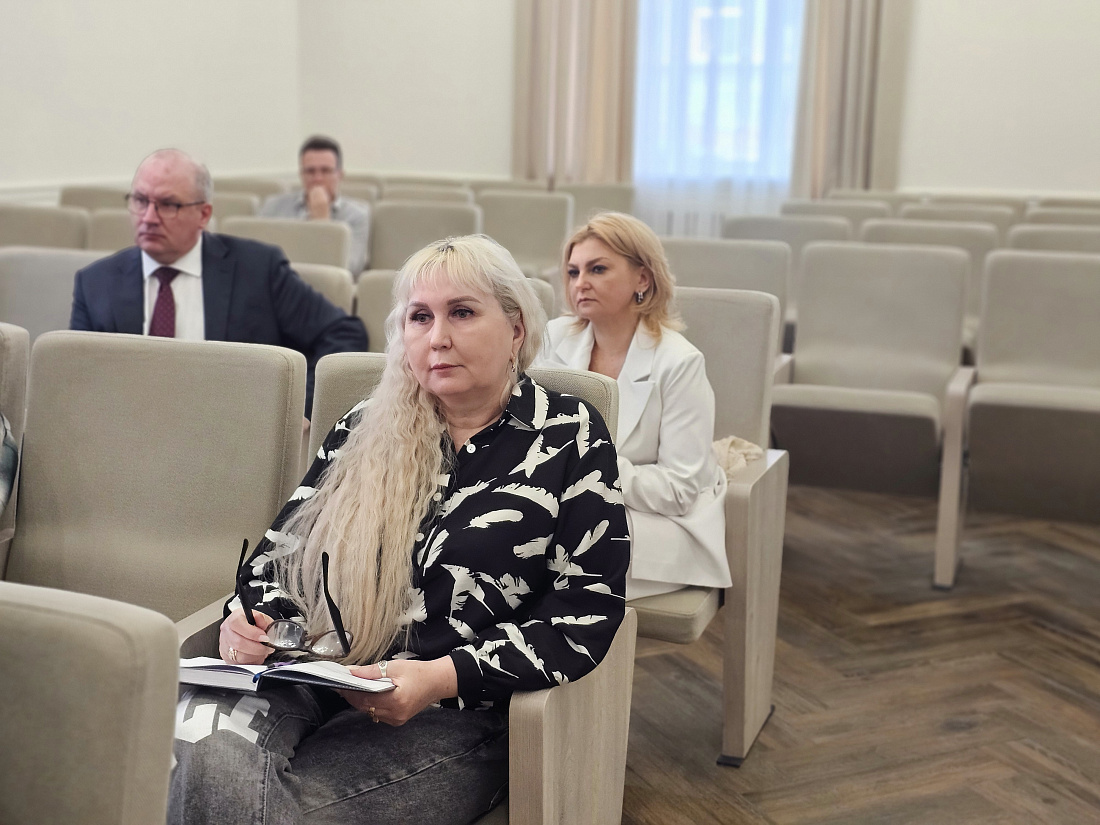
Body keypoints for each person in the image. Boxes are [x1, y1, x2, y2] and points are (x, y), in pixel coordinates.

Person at [170, 235, 629, 825]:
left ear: (516, 328)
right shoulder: (365, 426)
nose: (438, 337)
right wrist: (254, 622)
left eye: (462, 312)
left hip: (453, 707)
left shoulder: (569, 434)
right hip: (313, 673)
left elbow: (584, 611)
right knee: (200, 750)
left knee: (275, 809)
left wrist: (438, 678)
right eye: (420, 317)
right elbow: (274, 562)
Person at [70, 148, 369, 415]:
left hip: (233, 430)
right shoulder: (95, 283)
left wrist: (295, 408)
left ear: (203, 214)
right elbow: (76, 379)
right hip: (130, 432)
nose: (148, 217)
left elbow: (343, 333)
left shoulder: (257, 269)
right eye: (140, 200)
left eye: (168, 204)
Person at [539, 212, 730, 600]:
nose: (580, 283)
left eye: (597, 269)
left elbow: (679, 490)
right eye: (573, 272)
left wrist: (586, 469)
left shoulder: (680, 362)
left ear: (642, 279)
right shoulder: (553, 339)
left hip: (652, 523)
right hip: (566, 510)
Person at [259, 135, 371, 274]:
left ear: (340, 175)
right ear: (301, 174)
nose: (318, 179)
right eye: (310, 171)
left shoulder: (357, 214)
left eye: (326, 171)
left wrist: (322, 221)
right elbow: (259, 256)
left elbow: (351, 268)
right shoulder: (272, 206)